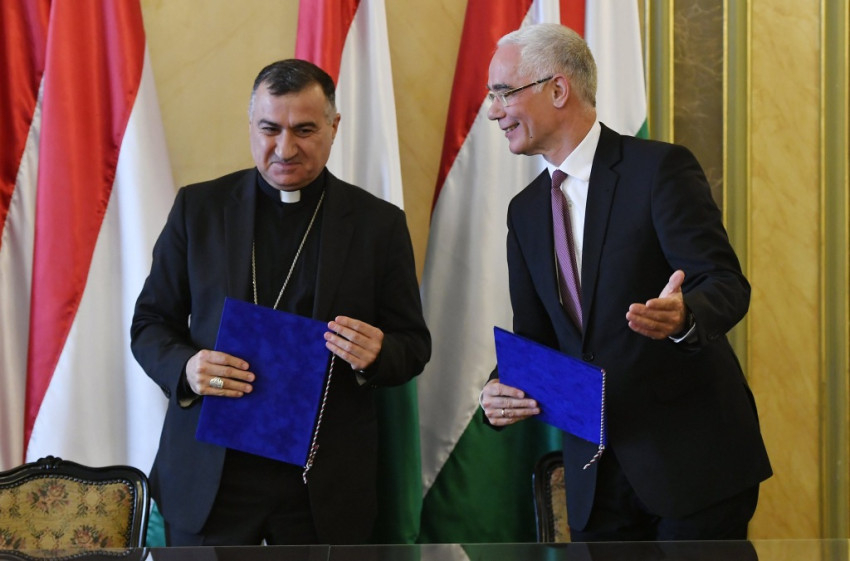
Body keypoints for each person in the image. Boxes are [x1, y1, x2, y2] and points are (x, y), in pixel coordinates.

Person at [478, 24, 771, 541]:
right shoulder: (524, 212)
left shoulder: (658, 169)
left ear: (558, 89)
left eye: (503, 93)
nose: (493, 111)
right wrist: (501, 389)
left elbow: (725, 282)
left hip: (691, 464)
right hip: (595, 480)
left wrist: (685, 316)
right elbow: (537, 339)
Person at [131, 59, 430, 546]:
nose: (285, 148)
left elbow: (413, 345)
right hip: (213, 477)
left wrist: (377, 354)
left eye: (304, 130)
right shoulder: (198, 209)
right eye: (270, 129)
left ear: (334, 127)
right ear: (251, 125)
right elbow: (150, 323)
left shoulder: (379, 225)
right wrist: (186, 368)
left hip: (321, 483)